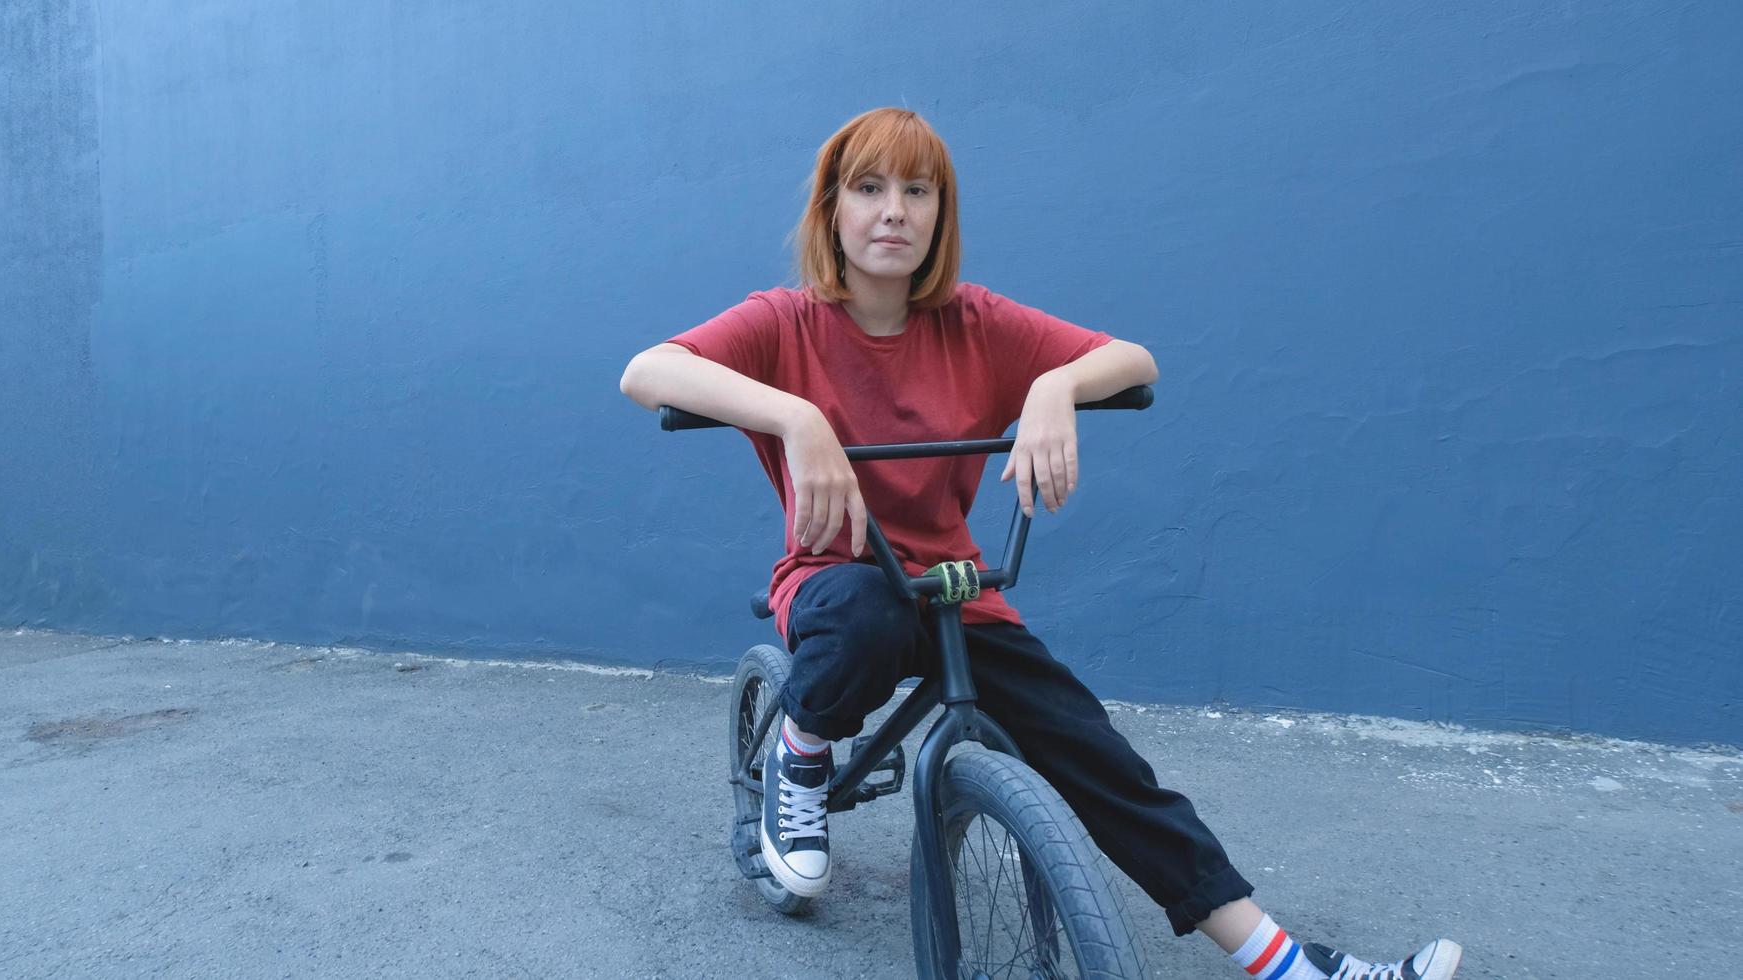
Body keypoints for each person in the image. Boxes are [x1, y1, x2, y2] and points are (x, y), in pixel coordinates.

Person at [620, 107, 1463, 980]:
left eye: (918, 191)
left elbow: (1134, 360)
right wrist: (793, 414)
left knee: (1102, 761)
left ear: (940, 215)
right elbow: (646, 372)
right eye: (868, 189)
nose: (893, 211)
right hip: (837, 580)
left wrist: (1055, 383)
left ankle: (1289, 965)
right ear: (832, 209)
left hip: (953, 588)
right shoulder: (785, 323)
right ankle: (801, 752)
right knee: (867, 615)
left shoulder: (974, 325)